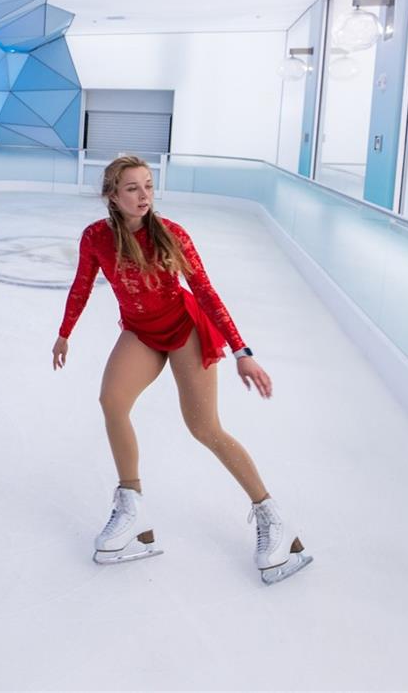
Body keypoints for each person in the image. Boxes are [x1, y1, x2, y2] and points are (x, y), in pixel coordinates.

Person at [54, 154, 312, 584]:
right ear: (112, 196)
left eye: (148, 186)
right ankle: (131, 507)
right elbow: (81, 286)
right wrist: (64, 333)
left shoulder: (171, 234)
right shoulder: (96, 237)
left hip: (184, 329)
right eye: (133, 188)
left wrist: (242, 351)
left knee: (204, 427)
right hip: (141, 331)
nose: (144, 195)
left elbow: (206, 292)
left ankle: (273, 517)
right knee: (112, 401)